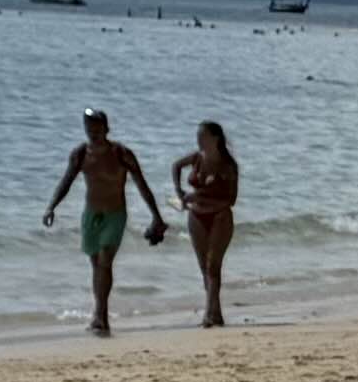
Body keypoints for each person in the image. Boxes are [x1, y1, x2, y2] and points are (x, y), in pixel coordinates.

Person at [38, 112, 170, 334]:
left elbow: (142, 185)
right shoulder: (80, 154)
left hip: (115, 215)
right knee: (96, 265)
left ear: (107, 129)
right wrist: (51, 207)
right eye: (90, 129)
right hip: (91, 215)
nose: (94, 134)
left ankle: (101, 315)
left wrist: (156, 216)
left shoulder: (121, 153)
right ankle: (99, 314)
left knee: (105, 260)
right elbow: (66, 182)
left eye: (98, 130)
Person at [176, 119, 240, 325]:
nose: (199, 140)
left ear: (216, 138)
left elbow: (231, 199)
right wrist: (179, 191)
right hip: (196, 216)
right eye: (198, 136)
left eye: (202, 136)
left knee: (213, 266)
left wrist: (199, 195)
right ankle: (216, 312)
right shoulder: (197, 158)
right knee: (204, 267)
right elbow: (176, 166)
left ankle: (208, 313)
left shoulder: (228, 165)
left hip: (220, 216)